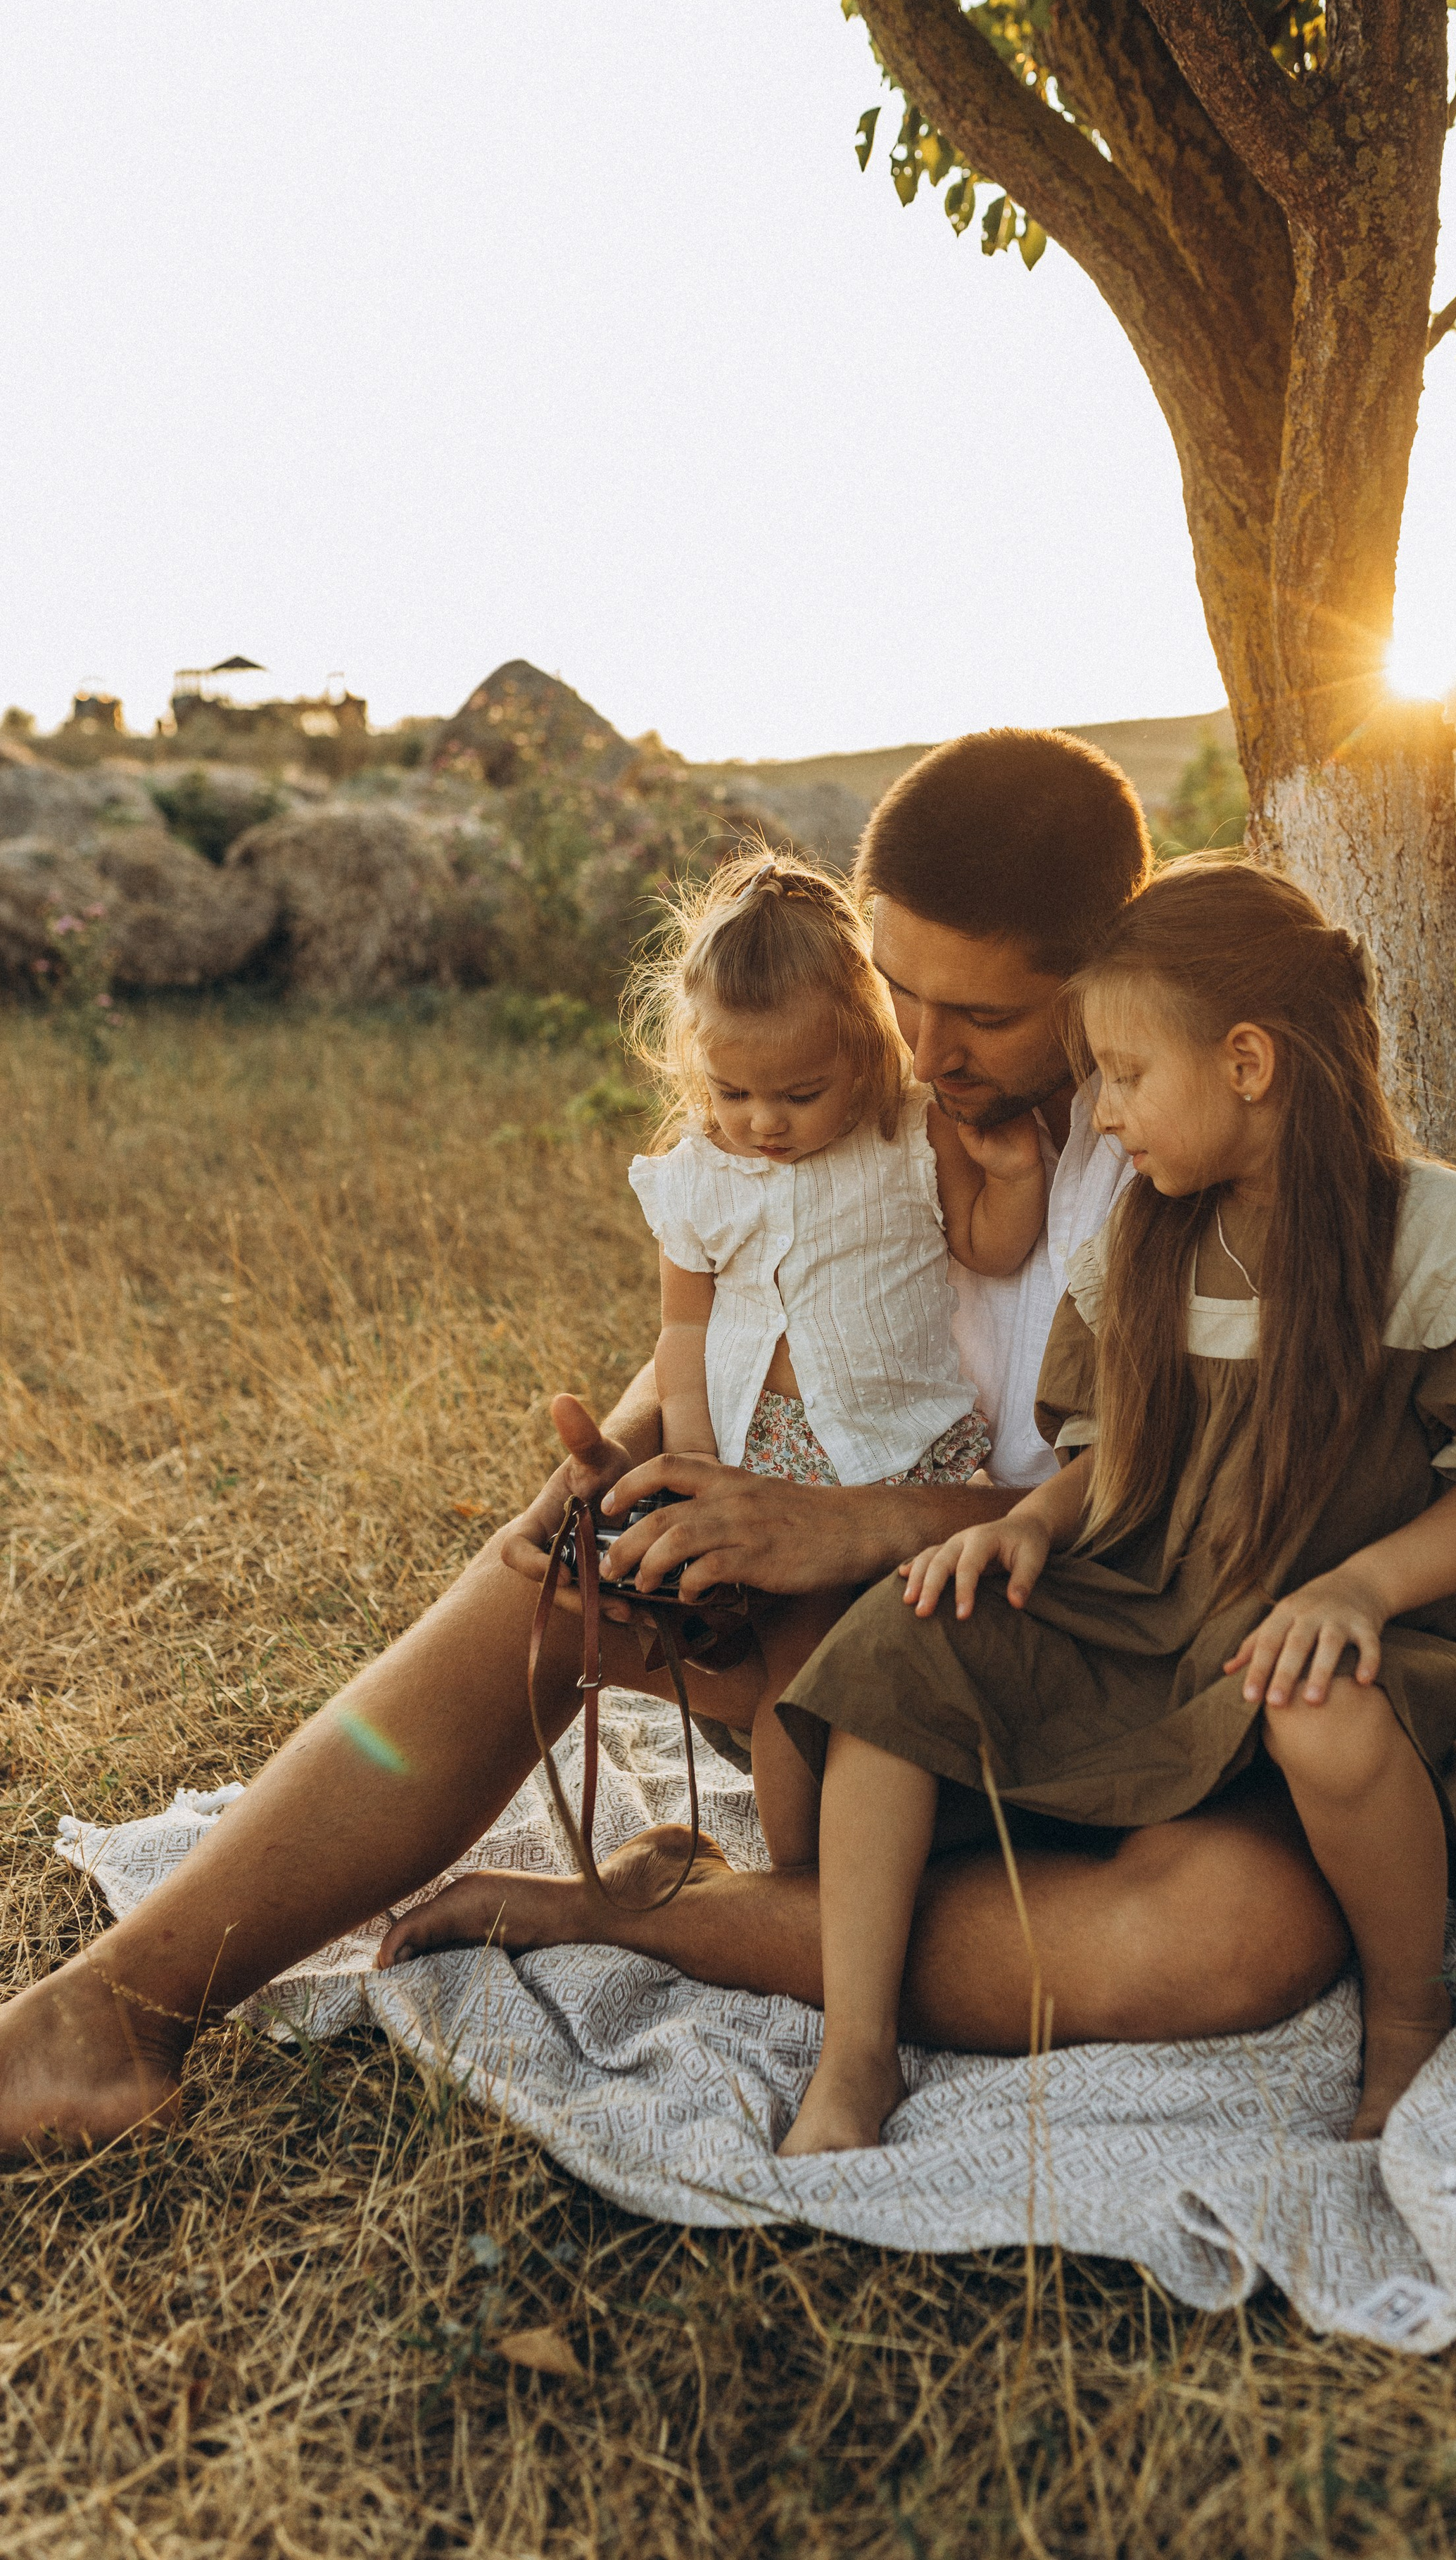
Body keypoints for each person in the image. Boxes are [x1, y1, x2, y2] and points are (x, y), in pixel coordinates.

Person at [0, 733, 1352, 2158]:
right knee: (547, 1568)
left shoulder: (1173, 1143)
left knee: (1240, 1936)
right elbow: (734, 1314)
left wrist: (859, 1526)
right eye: (895, 989)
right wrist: (645, 1460)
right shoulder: (858, 1109)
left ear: (1100, 980)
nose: (923, 1045)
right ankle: (117, 2004)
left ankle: (664, 1914)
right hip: (818, 1644)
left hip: (1071, 1664)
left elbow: (1195, 1490)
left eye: (982, 1017)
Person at [773, 857, 1456, 2154]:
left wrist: (1363, 1588)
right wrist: (1031, 1525)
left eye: (1122, 1073)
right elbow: (1114, 1458)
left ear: (1245, 1062)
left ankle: (1405, 2019)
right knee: (907, 1637)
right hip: (1153, 1611)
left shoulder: (1439, 1242)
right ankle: (859, 2048)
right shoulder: (1151, 1239)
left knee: (1322, 1719)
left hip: (1333, 1632)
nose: (1102, 1114)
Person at [614, 847, 1043, 1862]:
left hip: (899, 1458)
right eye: (733, 1092)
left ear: (862, 1049)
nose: (763, 1122)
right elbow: (683, 1332)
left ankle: (893, 1846)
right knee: (797, 1676)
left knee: (892, 1660)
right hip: (758, 1465)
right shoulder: (695, 1178)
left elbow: (987, 1246)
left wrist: (1016, 1178)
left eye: (800, 1094)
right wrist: (697, 1473)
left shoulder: (905, 1139)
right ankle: (800, 1877)